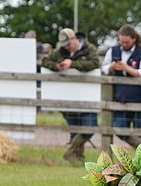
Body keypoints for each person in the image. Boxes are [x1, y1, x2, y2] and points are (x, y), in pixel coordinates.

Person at [42, 27, 102, 164]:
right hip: (67, 97)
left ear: (75, 39)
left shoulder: (89, 48)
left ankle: (70, 153)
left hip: (88, 97)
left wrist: (73, 64)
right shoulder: (59, 52)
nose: (67, 48)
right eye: (64, 45)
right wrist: (57, 66)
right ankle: (78, 159)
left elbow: (95, 63)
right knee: (75, 130)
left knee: (89, 127)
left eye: (68, 44)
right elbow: (45, 61)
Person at [106, 24, 141, 149]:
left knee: (140, 130)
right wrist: (111, 67)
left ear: (133, 39)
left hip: (140, 98)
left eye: (126, 42)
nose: (124, 44)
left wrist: (127, 68)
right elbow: (103, 68)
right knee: (120, 129)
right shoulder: (113, 51)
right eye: (121, 42)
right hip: (120, 98)